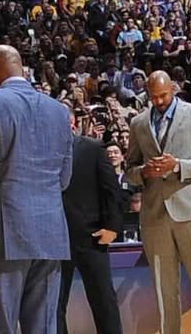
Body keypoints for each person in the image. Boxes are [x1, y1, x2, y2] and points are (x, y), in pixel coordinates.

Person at [0, 45, 72, 334]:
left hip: (5, 233)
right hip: (51, 234)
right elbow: (64, 179)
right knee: (43, 328)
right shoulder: (59, 111)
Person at [124, 71, 191, 334]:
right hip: (154, 215)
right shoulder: (138, 123)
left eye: (163, 95)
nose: (159, 101)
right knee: (163, 290)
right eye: (153, 97)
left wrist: (178, 165)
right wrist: (144, 172)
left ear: (173, 88)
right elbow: (129, 170)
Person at [57, 118, 124, 334]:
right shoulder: (43, 150)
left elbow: (111, 190)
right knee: (55, 304)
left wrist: (112, 227)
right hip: (55, 238)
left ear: (73, 125)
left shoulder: (93, 148)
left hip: (92, 236)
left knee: (103, 299)